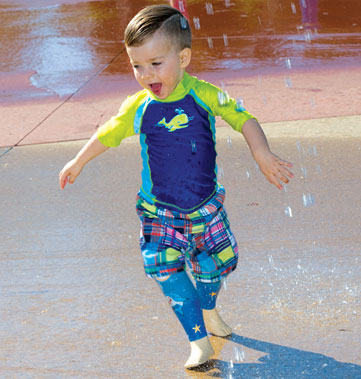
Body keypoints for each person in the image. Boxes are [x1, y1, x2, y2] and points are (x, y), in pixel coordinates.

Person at [59, 4, 294, 369]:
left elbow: (244, 119)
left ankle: (210, 310)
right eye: (137, 65)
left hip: (204, 207)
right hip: (159, 211)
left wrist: (261, 153)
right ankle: (198, 340)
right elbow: (106, 134)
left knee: (211, 270)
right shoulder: (139, 106)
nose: (145, 74)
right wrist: (78, 161)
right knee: (167, 273)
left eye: (156, 63)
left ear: (183, 57)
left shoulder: (203, 94)